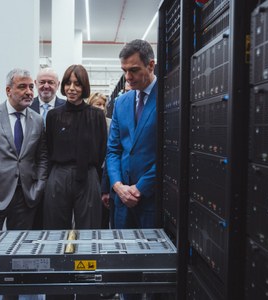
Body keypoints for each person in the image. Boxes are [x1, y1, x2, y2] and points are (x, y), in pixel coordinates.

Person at [106, 39, 157, 300]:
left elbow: (171, 152)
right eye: (124, 70)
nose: (128, 76)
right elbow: (113, 150)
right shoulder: (122, 102)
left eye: (134, 70)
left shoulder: (170, 97)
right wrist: (117, 186)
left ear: (151, 65)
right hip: (122, 199)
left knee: (155, 270)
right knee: (124, 266)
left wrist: (140, 187)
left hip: (151, 199)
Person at [0, 68, 48, 231]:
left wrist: (39, 185)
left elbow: (42, 157)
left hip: (26, 196)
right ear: (8, 90)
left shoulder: (37, 120)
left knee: (20, 250)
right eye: (22, 87)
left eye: (30, 87)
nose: (29, 92)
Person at [43, 65, 107, 230]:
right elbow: (49, 148)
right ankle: (58, 257)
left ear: (84, 86)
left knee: (89, 228)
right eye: (68, 83)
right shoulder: (53, 116)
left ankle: (86, 256)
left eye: (77, 84)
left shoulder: (97, 115)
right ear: (63, 86)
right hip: (58, 175)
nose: (71, 89)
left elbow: (101, 151)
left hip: (88, 175)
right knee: (55, 229)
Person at [30, 67, 65, 229]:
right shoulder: (26, 107)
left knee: (57, 223)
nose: (46, 86)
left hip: (59, 175)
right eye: (42, 82)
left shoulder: (67, 108)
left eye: (50, 82)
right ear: (36, 84)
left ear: (57, 85)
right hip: (30, 176)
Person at [87, 92, 113, 229]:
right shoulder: (85, 123)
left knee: (104, 211)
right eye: (98, 105)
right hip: (90, 172)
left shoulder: (111, 124)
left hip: (105, 171)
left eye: (103, 105)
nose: (102, 108)